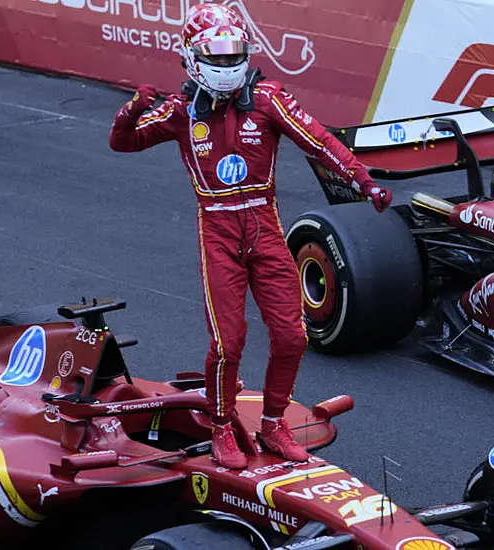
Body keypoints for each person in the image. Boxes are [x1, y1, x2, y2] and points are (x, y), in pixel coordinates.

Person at [108, 3, 392, 469]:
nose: (225, 64)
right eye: (215, 56)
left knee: (292, 336)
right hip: (217, 229)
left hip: (264, 226)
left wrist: (364, 181)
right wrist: (133, 108)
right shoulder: (180, 111)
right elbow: (123, 142)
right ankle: (221, 427)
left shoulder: (269, 98)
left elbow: (318, 141)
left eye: (232, 54)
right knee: (228, 343)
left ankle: (274, 422)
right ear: (193, 58)